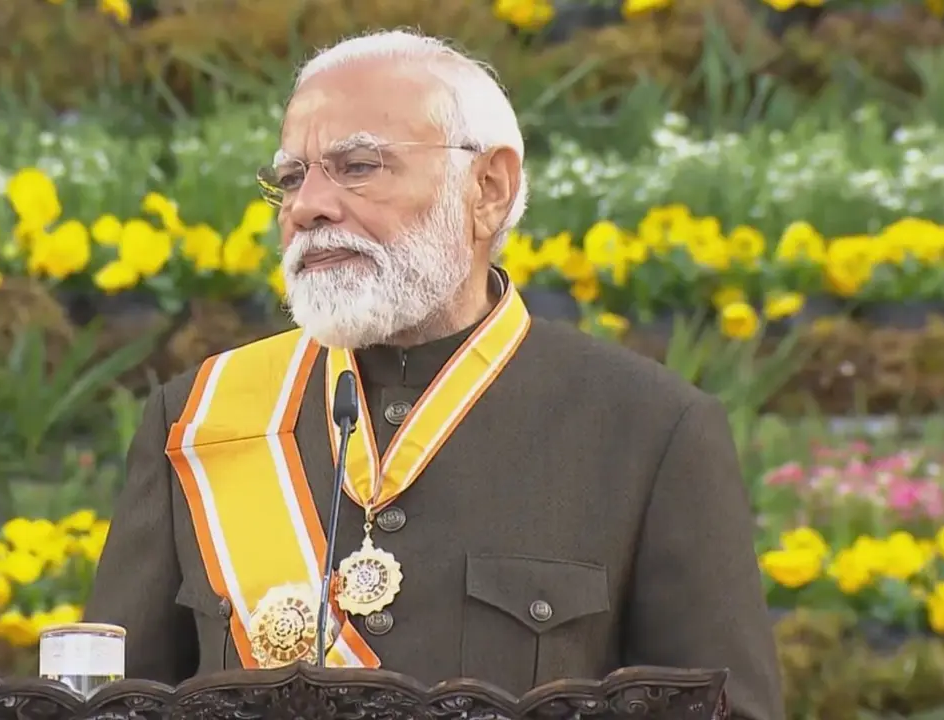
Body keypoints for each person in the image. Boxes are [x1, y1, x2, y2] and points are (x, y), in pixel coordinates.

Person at [85, 29, 785, 720]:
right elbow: (114, 706)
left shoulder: (647, 429)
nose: (306, 208)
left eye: (357, 166)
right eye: (293, 177)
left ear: (489, 188)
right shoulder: (202, 415)